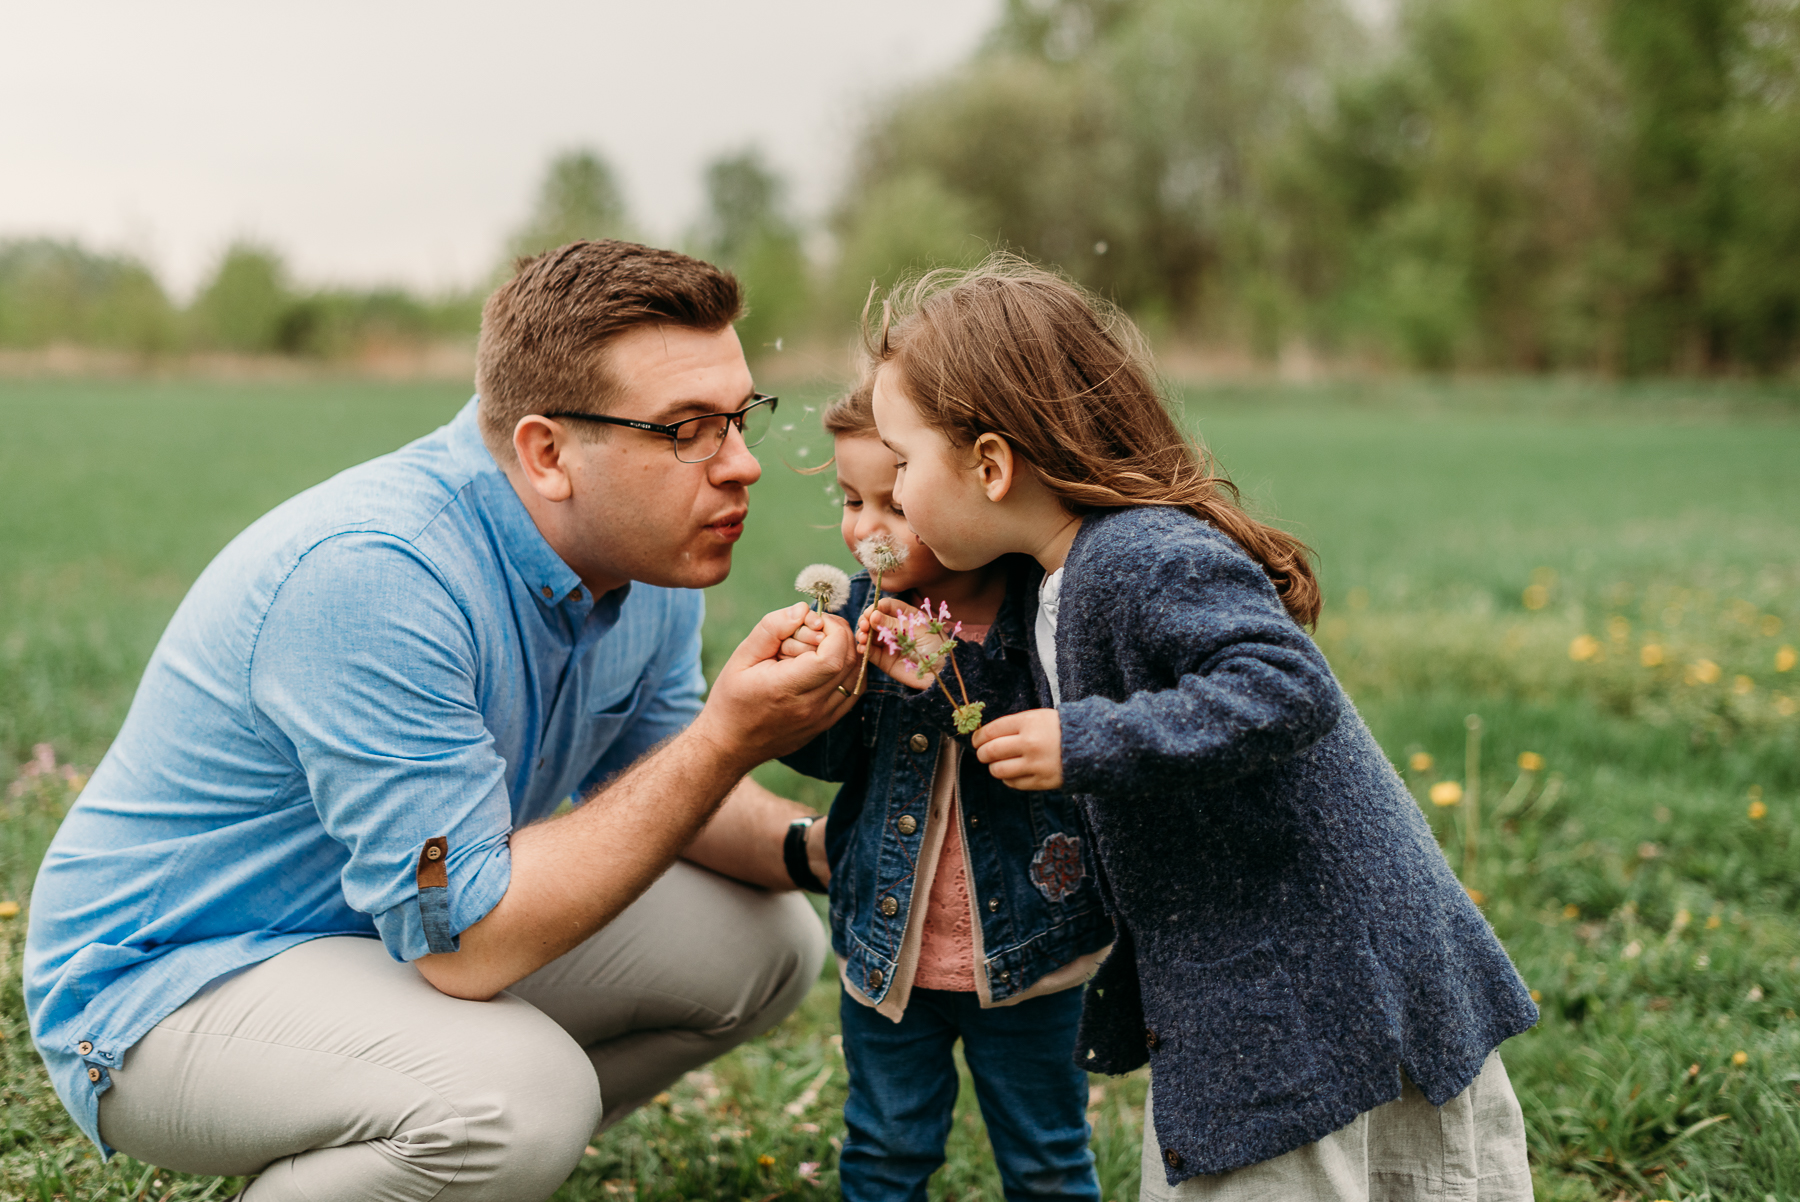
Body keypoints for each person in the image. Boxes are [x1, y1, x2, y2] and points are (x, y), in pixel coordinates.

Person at [24, 240, 861, 1202]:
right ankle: (436, 1141)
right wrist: (727, 737)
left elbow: (666, 780)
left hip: (376, 934)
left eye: (741, 416)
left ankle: (419, 1162)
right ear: (548, 453)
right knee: (516, 1100)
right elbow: (467, 944)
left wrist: (833, 851)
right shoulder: (377, 574)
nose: (742, 465)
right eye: (687, 430)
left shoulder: (646, 552)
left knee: (767, 945)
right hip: (165, 986)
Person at [860, 257, 1539, 1201]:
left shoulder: (1141, 550)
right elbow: (1058, 688)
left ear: (989, 464)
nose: (891, 493)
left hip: (1315, 988)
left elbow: (1283, 684)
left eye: (900, 463)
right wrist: (934, 667)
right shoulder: (1055, 579)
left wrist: (1088, 741)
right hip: (1272, 982)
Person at [779, 381, 1113, 1201]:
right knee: (885, 1148)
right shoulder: (858, 616)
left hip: (1032, 952)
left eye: (893, 503)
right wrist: (822, 689)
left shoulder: (1041, 610)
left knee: (1046, 1155)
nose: (865, 530)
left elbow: (1036, 744)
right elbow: (824, 763)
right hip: (891, 956)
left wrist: (937, 671)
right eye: (850, 501)